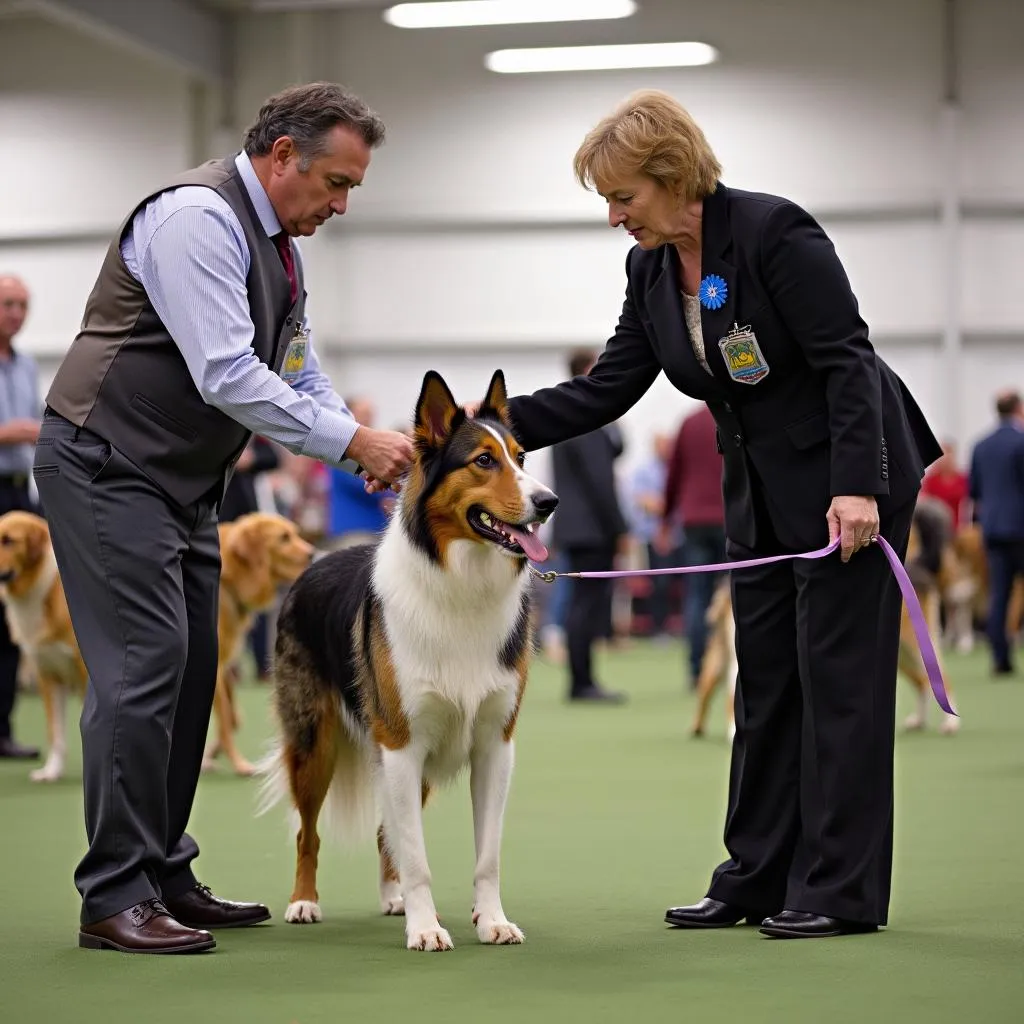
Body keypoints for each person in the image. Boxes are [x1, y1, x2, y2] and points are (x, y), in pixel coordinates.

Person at [439, 89, 942, 939]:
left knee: (840, 687)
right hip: (760, 491)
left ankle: (838, 890)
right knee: (767, 683)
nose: (613, 217)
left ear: (673, 177)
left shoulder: (777, 235)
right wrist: (473, 432)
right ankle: (754, 877)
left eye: (623, 196)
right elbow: (605, 389)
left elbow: (849, 362)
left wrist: (856, 486)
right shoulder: (650, 269)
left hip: (851, 482)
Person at [33, 81, 414, 955]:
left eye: (352, 187)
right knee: (144, 666)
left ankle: (164, 870)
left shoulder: (283, 250)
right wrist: (351, 437)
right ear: (282, 157)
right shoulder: (194, 219)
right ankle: (112, 895)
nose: (341, 204)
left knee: (196, 663)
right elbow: (227, 375)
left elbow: (296, 369)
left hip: (182, 484)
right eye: (334, 182)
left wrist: (358, 441)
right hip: (106, 464)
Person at [550, 349, 629, 703]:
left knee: (581, 604)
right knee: (587, 605)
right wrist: (620, 528)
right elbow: (601, 481)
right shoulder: (586, 414)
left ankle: (581, 679)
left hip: (576, 526)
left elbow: (616, 450)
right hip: (593, 528)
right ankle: (582, 682)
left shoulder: (567, 411)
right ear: (588, 369)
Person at [0, 273, 43, 761]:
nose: (15, 313)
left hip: (19, 501)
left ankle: (4, 727)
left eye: (22, 305)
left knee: (14, 619)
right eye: (8, 303)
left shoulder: (27, 366)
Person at [660, 404, 725, 688]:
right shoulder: (733, 413)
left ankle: (697, 669)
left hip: (694, 520)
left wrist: (665, 519)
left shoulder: (689, 422)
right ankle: (738, 665)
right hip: (732, 518)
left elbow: (674, 475)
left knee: (697, 596)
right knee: (738, 595)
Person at [968, 390, 1024, 676]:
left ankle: (1000, 660)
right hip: (1021, 529)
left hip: (993, 530)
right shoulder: (1021, 441)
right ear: (1018, 409)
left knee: (999, 594)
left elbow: (974, 492)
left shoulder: (980, 445)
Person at [920, 438, 970, 529]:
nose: (945, 459)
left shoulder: (963, 479)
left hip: (957, 528)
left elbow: (969, 504)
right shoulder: (930, 480)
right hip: (935, 528)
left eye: (948, 454)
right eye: (942, 455)